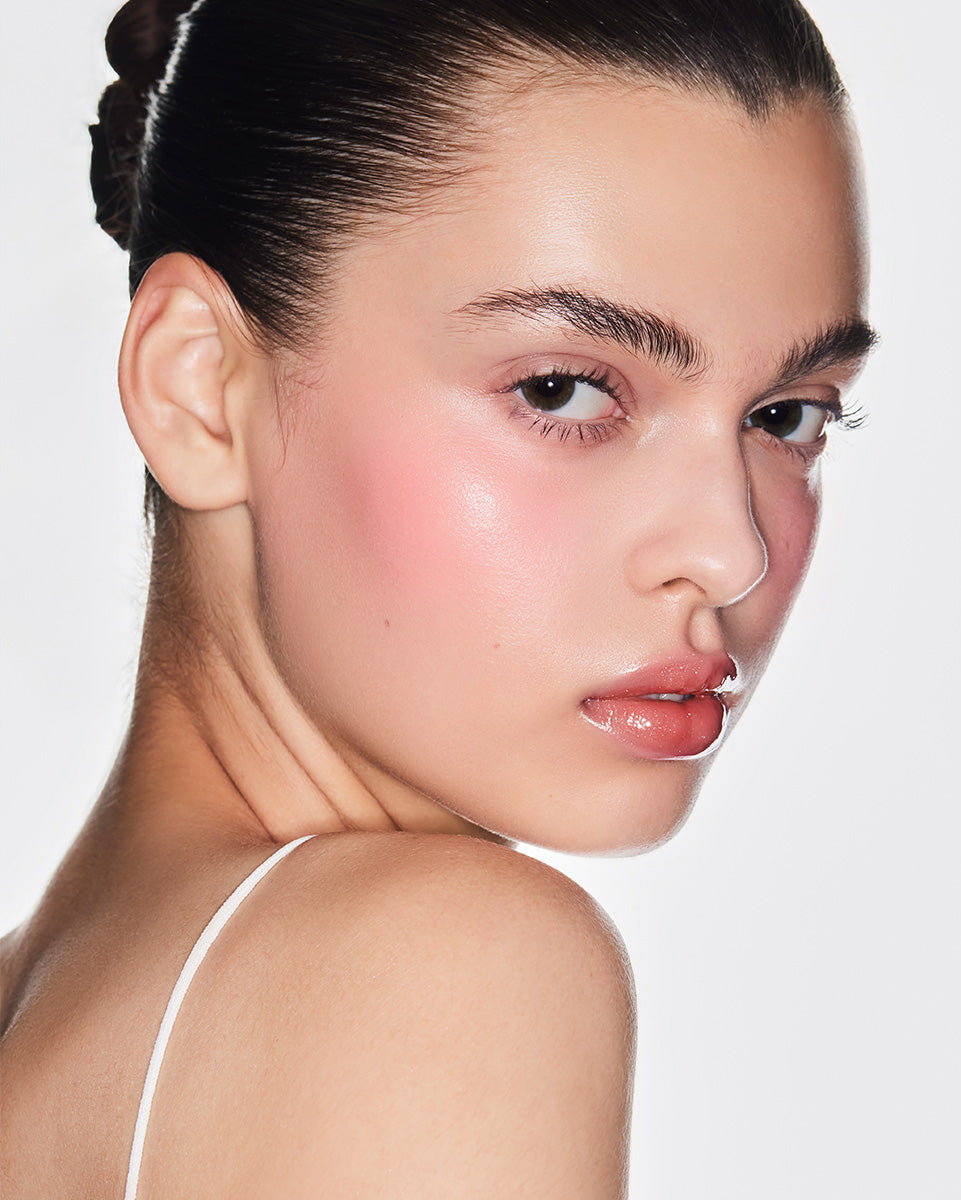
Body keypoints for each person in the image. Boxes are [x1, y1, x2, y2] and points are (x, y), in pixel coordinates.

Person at [0, 0, 875, 1194]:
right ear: (200, 390)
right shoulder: (441, 962)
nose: (731, 554)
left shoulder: (49, 1018)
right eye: (563, 390)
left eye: (785, 416)